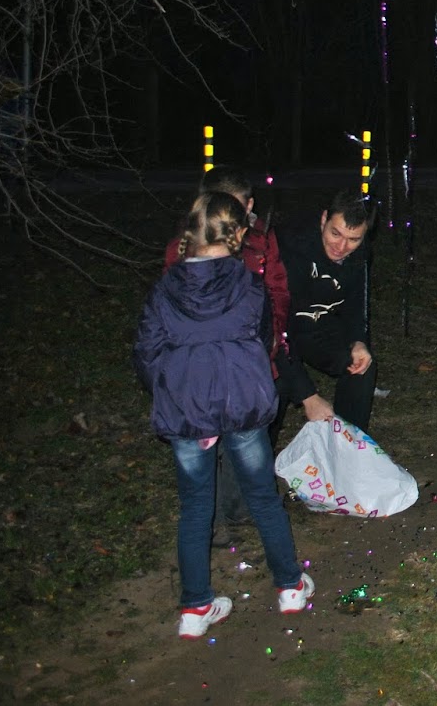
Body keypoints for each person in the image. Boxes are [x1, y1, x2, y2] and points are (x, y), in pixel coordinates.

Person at [134, 192, 314, 639]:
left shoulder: (166, 288)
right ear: (238, 236)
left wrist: (177, 390)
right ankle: (290, 587)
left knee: (195, 507)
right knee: (263, 497)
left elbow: (146, 353)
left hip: (188, 411)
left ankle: (195, 608)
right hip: (242, 404)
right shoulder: (248, 285)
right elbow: (264, 339)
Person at [161, 166, 290, 543]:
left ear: (249, 206)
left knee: (248, 432)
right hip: (202, 367)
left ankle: (239, 506)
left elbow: (276, 290)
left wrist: (273, 338)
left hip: (250, 359)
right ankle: (212, 519)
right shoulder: (184, 248)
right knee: (207, 441)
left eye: (237, 209)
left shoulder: (261, 240)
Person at [278, 189, 376, 432]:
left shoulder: (359, 254)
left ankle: (347, 443)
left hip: (320, 327)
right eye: (335, 233)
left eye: (353, 239)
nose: (341, 247)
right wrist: (308, 396)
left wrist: (358, 341)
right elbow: (274, 329)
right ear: (324, 219)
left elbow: (356, 305)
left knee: (361, 364)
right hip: (279, 333)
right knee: (275, 382)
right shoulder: (290, 248)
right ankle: (262, 452)